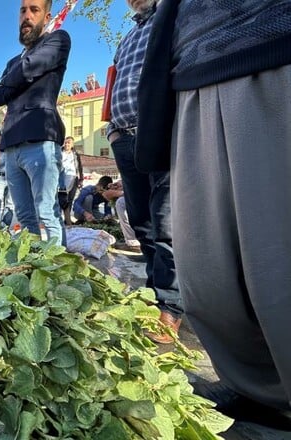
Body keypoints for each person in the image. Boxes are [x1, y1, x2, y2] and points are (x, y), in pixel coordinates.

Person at [137, 0, 291, 429]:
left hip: (272, 48)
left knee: (277, 263)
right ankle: (261, 392)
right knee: (207, 271)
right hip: (194, 76)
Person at [106, 0, 182, 344]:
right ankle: (154, 296)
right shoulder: (128, 38)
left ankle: (171, 307)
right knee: (142, 222)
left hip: (160, 132)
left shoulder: (173, 18)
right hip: (125, 139)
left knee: (166, 223)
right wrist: (113, 133)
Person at [0, 0, 70, 244]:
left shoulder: (58, 40)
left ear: (47, 17)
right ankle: (35, 269)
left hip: (40, 138)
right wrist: (20, 74)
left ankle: (61, 272)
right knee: (24, 216)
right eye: (23, 10)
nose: (27, 16)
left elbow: (29, 67)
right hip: (11, 144)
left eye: (34, 10)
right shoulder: (13, 62)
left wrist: (10, 83)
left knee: (47, 212)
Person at [58, 136, 83, 225]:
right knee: (61, 199)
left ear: (72, 144)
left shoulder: (75, 154)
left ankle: (67, 219)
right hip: (62, 178)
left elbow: (79, 167)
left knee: (70, 199)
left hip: (73, 178)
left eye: (69, 142)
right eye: (66, 142)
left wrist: (81, 179)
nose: (67, 144)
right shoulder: (59, 152)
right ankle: (58, 219)